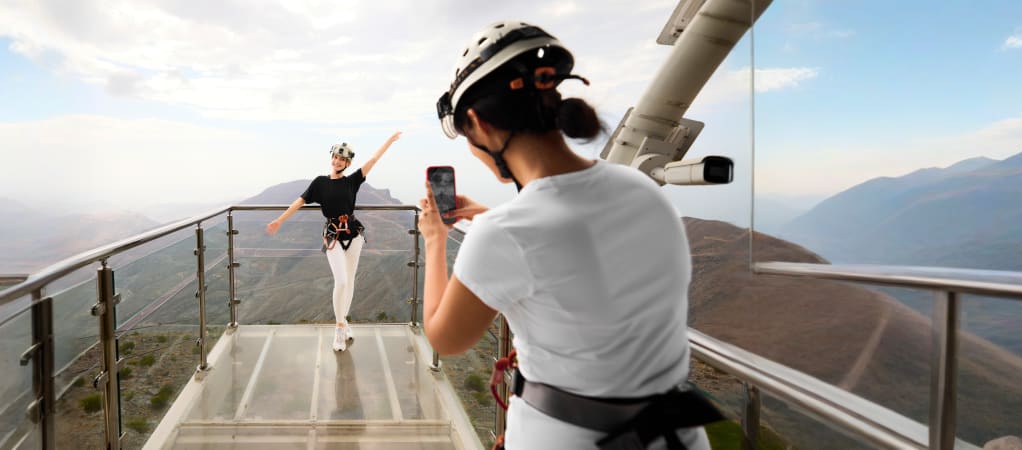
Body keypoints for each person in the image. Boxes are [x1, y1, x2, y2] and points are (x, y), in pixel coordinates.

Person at [416, 21, 722, 450]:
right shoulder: (641, 190)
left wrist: (433, 239)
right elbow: (578, 249)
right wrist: (492, 218)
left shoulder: (502, 234)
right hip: (678, 436)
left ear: (477, 123)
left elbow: (445, 338)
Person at [268, 131, 402, 351]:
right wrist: (279, 220)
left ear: (347, 163)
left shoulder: (352, 182)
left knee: (349, 283)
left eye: (342, 159)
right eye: (336, 157)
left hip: (354, 237)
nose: (338, 161)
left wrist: (388, 141)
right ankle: (339, 329)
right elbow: (300, 201)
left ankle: (343, 322)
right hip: (333, 237)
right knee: (340, 281)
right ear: (332, 158)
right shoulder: (320, 183)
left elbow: (373, 160)